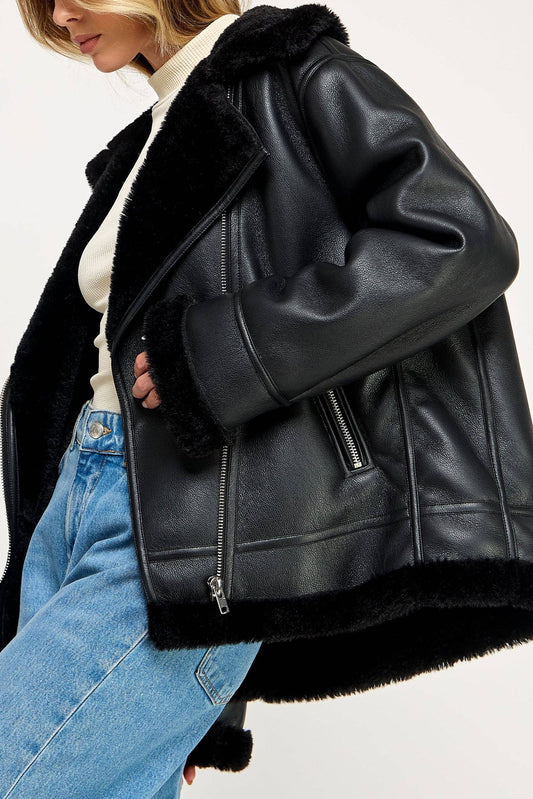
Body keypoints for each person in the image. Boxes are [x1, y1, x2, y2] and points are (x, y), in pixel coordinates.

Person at [1, 0, 533, 797]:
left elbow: (459, 240)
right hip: (79, 517)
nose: (60, 12)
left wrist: (220, 354)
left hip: (163, 535)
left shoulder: (296, 73)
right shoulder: (152, 138)